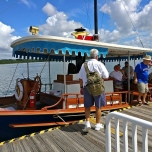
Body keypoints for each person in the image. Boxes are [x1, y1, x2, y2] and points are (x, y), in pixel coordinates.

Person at [78, 49, 109, 132]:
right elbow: (106, 76)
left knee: (87, 106)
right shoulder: (99, 64)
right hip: (98, 88)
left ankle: (87, 123)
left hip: (87, 88)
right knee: (98, 107)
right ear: (97, 56)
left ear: (89, 56)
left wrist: (81, 87)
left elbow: (80, 78)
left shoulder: (84, 65)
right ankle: (97, 124)